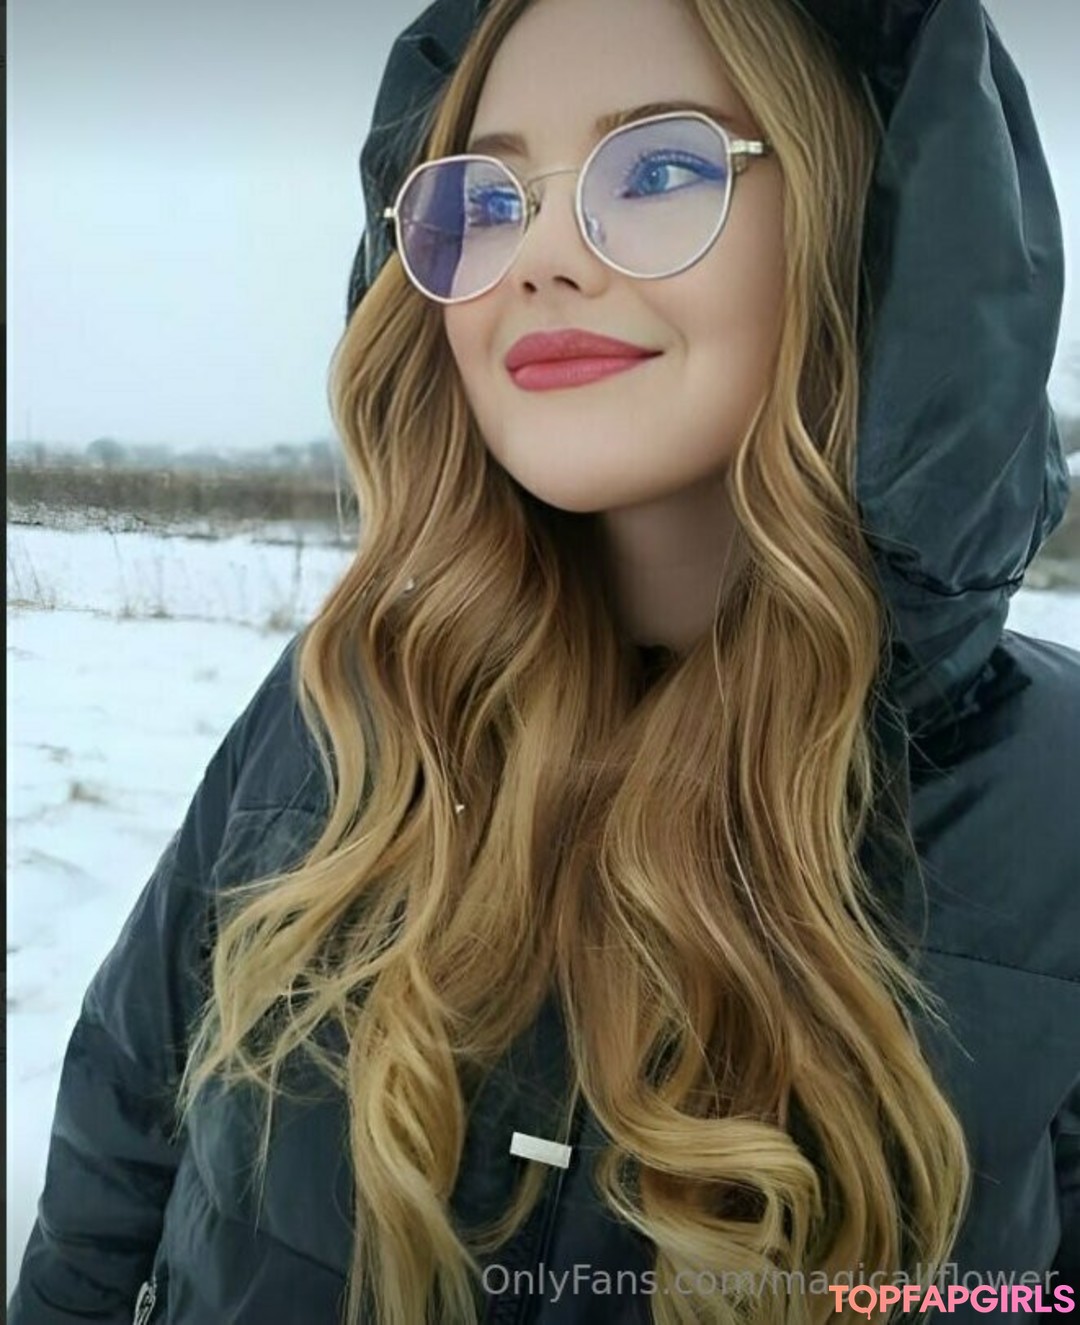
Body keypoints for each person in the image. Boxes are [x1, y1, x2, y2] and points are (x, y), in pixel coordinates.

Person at [9, 0, 1079, 1320]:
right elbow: (118, 1143)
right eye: (487, 198)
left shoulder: (1050, 798)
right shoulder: (342, 701)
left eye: (663, 167)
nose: (543, 257)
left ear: (866, 225)